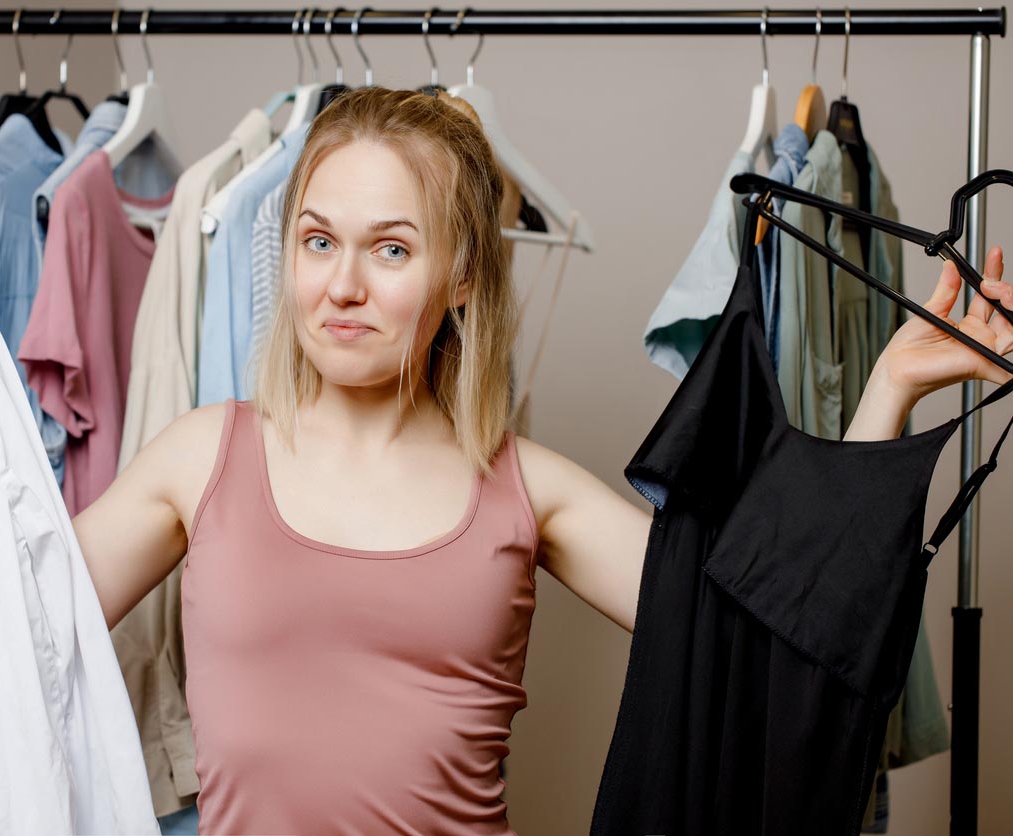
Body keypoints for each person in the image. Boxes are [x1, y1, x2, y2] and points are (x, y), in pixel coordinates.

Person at [72, 87, 1012, 832]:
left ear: (465, 275)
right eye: (318, 242)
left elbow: (759, 643)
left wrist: (889, 388)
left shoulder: (529, 490)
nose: (342, 286)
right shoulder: (199, 460)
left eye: (391, 249)